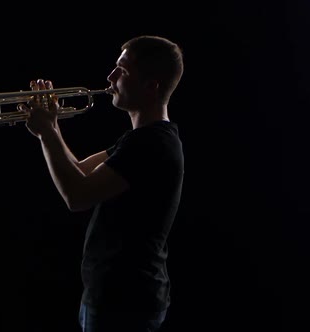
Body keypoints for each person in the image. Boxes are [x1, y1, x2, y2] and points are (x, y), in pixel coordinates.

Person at [18, 35, 185, 332]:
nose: (110, 77)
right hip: (113, 296)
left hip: (124, 302)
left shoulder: (152, 145)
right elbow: (79, 170)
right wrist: (52, 126)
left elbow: (77, 195)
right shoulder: (141, 139)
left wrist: (47, 133)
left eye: (122, 70)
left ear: (151, 85)